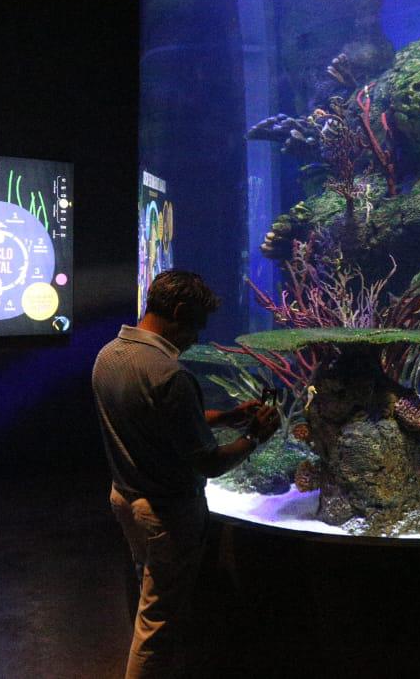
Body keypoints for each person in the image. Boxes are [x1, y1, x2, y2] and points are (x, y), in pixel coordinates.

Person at [93, 269, 280, 678]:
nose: (196, 336)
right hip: (166, 514)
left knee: (149, 595)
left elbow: (156, 418)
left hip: (125, 499)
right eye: (196, 325)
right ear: (179, 311)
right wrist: (255, 437)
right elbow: (208, 463)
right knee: (156, 627)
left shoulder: (108, 354)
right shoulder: (171, 375)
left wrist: (228, 416)